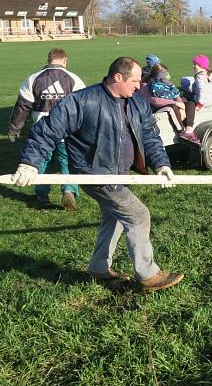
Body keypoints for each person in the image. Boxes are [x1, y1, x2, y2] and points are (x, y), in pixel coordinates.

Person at [12, 56, 184, 292]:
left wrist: (161, 165)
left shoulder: (138, 102)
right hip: (93, 174)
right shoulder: (81, 102)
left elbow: (150, 136)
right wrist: (30, 163)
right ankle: (148, 275)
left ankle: (98, 267)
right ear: (118, 77)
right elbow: (47, 130)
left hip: (120, 174)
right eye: (134, 81)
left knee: (114, 218)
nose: (138, 85)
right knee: (138, 215)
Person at [7, 48, 85, 209]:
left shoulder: (33, 79)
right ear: (65, 61)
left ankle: (42, 195)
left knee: (41, 163)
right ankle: (69, 191)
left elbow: (22, 107)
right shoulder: (74, 79)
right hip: (67, 132)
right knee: (68, 162)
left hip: (41, 133)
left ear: (48, 60)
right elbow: (83, 108)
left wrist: (14, 129)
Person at [178, 55, 212, 143]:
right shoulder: (209, 75)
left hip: (204, 101)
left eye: (195, 64)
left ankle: (188, 130)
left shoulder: (200, 76)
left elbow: (201, 91)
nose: (193, 66)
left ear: (201, 66)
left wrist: (200, 104)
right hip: (211, 101)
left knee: (188, 99)